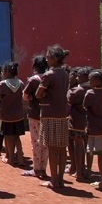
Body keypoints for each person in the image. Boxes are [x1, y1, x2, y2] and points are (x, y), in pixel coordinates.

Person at [35, 45, 71, 189]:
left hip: (50, 114)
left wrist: (44, 95)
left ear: (55, 58)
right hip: (62, 114)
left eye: (48, 56)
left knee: (52, 148)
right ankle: (60, 179)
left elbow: (38, 94)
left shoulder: (49, 75)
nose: (46, 59)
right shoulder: (64, 74)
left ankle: (54, 180)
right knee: (61, 149)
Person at [22, 55, 49, 180]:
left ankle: (37, 168)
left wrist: (31, 98)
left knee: (36, 142)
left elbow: (25, 96)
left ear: (34, 67)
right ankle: (43, 168)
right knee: (45, 143)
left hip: (35, 114)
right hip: (48, 114)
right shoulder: (50, 77)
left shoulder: (33, 80)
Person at [0, 61, 26, 167]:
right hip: (18, 115)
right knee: (17, 137)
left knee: (8, 137)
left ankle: (10, 158)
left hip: (6, 115)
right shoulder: (21, 83)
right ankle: (21, 159)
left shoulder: (2, 85)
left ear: (6, 72)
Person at [67, 66, 90, 181]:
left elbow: (69, 98)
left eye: (78, 76)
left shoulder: (80, 90)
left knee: (77, 146)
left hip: (77, 122)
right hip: (87, 122)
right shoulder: (92, 88)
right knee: (85, 146)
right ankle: (83, 169)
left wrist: (70, 85)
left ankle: (78, 171)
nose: (76, 78)